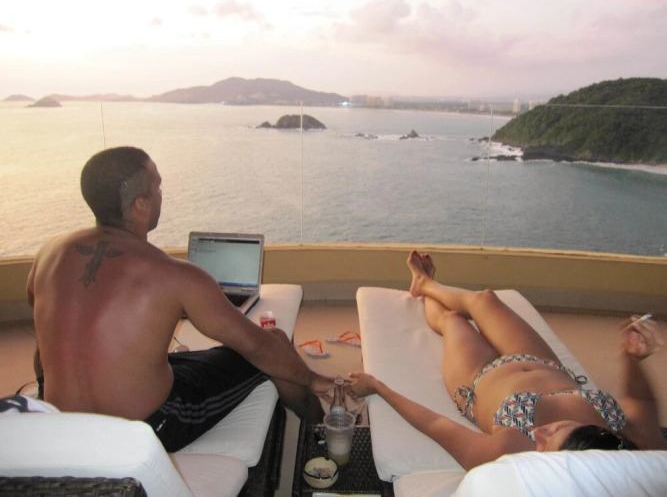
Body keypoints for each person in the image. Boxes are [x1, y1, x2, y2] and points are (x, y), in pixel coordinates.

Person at [27, 146, 334, 452]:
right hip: (150, 424)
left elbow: (43, 349)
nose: (161, 194)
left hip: (62, 418)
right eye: (157, 186)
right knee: (275, 343)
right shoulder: (172, 273)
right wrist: (311, 379)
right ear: (141, 205)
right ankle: (323, 432)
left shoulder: (48, 255)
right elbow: (257, 348)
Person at [348, 250, 665, 470]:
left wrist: (377, 387)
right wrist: (633, 358)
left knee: (453, 320)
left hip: (478, 378)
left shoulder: (509, 452)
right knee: (485, 299)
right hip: (543, 362)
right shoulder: (631, 443)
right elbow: (640, 400)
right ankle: (428, 284)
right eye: (556, 431)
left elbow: (435, 424)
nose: (539, 435)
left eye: (545, 447)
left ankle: (422, 286)